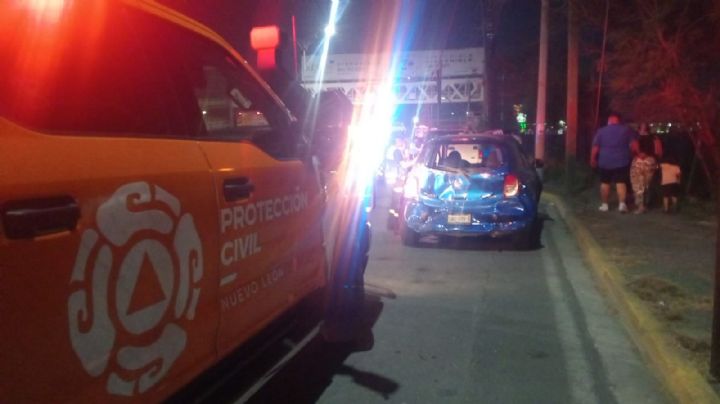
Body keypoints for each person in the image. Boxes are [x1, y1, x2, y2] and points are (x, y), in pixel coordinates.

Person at [591, 113, 637, 213]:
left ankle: (605, 205)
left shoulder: (601, 131)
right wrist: (635, 154)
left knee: (605, 183)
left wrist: (592, 159)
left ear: (609, 121)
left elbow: (595, 147)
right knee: (621, 182)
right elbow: (634, 145)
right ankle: (622, 205)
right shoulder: (626, 130)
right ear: (618, 121)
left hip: (605, 161)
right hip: (622, 161)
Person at [630, 122, 663, 213]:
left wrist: (639, 154)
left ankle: (641, 206)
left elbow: (633, 149)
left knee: (637, 184)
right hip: (650, 162)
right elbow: (659, 152)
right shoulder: (655, 138)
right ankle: (647, 203)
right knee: (647, 184)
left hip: (638, 162)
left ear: (639, 129)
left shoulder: (635, 138)